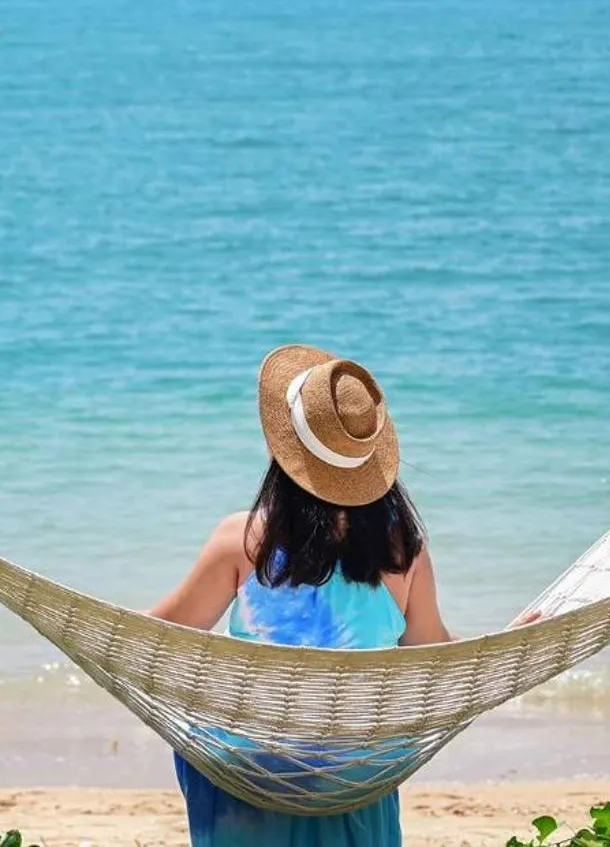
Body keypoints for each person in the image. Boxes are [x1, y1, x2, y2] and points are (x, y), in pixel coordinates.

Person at [148, 345, 450, 847]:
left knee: (215, 739)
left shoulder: (242, 540)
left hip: (247, 770)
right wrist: (510, 645)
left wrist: (72, 623)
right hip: (355, 776)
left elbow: (159, 634)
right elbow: (433, 651)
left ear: (278, 449)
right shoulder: (404, 549)